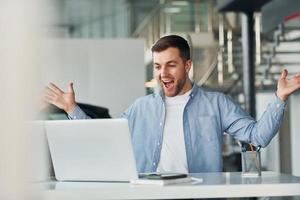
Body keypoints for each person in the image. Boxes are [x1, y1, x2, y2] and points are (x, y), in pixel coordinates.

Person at [44, 35, 300, 173]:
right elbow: (104, 140)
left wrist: (279, 98)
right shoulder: (140, 107)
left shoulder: (217, 103)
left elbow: (258, 136)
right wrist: (71, 110)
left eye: (171, 65)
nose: (162, 73)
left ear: (187, 65)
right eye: (157, 66)